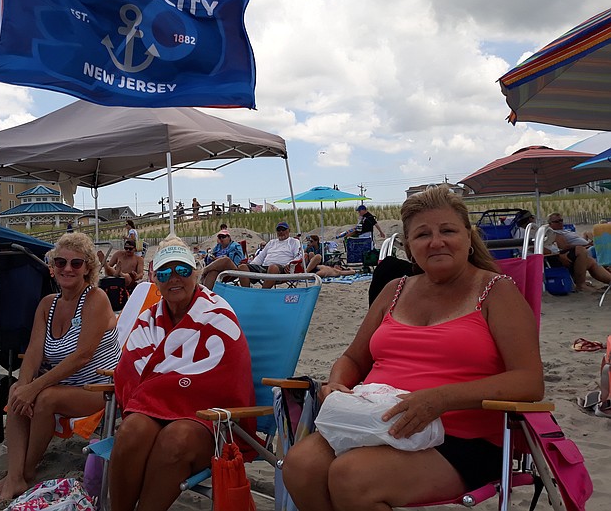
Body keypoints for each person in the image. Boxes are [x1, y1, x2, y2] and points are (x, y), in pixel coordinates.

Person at [282, 185, 544, 509]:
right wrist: (337, 384)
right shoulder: (395, 289)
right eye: (422, 235)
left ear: (468, 235)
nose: (436, 241)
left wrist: (440, 399)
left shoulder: (496, 291)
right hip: (376, 421)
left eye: (447, 230)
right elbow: (353, 357)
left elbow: (529, 381)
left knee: (352, 477)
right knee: (300, 466)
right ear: (409, 246)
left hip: (461, 436)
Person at [109, 236, 256, 511]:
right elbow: (129, 370)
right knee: (131, 430)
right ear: (155, 279)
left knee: (175, 439)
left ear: (196, 273)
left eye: (183, 270)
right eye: (165, 272)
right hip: (153, 410)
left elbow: (227, 377)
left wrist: (160, 388)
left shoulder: (217, 316)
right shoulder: (148, 320)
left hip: (208, 419)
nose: (174, 278)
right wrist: (161, 392)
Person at [0, 232, 121, 502]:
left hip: (102, 388)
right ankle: (15, 476)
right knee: (16, 392)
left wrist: (34, 386)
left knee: (44, 397)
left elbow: (82, 356)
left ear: (88, 269)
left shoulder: (96, 299)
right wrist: (23, 387)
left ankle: (25, 472)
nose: (67, 269)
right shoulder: (48, 304)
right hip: (64, 385)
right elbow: (34, 352)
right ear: (52, 266)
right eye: (60, 262)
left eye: (76, 264)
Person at [545, 212, 611, 292]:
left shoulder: (565, 231)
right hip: (573, 253)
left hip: (583, 250)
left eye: (561, 220)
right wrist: (585, 245)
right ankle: (581, 285)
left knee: (591, 261)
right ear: (550, 224)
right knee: (587, 250)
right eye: (557, 221)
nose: (560, 223)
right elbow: (564, 247)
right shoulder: (554, 233)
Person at [238, 222, 302, 288]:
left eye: (283, 229)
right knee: (242, 267)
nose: (281, 232)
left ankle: (263, 293)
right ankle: (247, 293)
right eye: (279, 230)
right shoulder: (272, 242)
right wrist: (252, 265)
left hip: (282, 269)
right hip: (265, 268)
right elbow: (261, 256)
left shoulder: (294, 242)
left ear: (289, 230)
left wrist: (289, 264)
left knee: (273, 267)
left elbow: (299, 255)